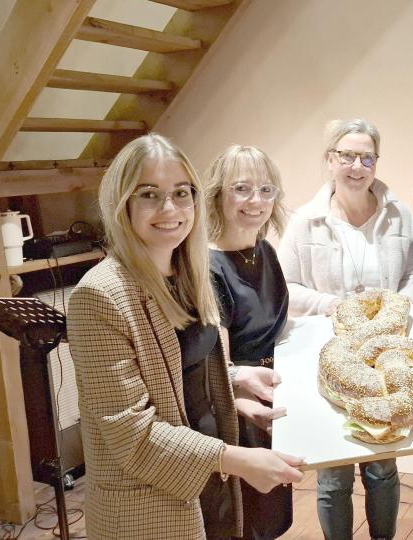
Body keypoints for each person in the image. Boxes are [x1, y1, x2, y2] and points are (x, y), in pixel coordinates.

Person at [67, 133, 304, 540]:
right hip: (150, 496)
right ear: (119, 202)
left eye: (181, 193)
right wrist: (239, 460)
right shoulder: (99, 295)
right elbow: (132, 436)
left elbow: (179, 371)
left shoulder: (186, 272)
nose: (170, 208)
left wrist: (237, 385)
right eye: (149, 195)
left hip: (208, 470)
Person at [278, 118, 412, 540]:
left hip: (382, 358)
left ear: (376, 161)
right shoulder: (306, 220)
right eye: (347, 156)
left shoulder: (399, 214)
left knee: (382, 465)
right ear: (330, 160)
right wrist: (329, 306)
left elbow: (411, 277)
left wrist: (400, 307)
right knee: (333, 472)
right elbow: (285, 287)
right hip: (328, 358)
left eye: (366, 157)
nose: (357, 166)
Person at [205, 144, 294, 540]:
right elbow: (217, 364)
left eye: (266, 190)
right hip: (235, 408)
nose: (255, 201)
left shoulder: (265, 250)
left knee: (271, 517)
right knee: (244, 522)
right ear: (218, 195)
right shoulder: (209, 267)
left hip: (270, 393)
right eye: (241, 188)